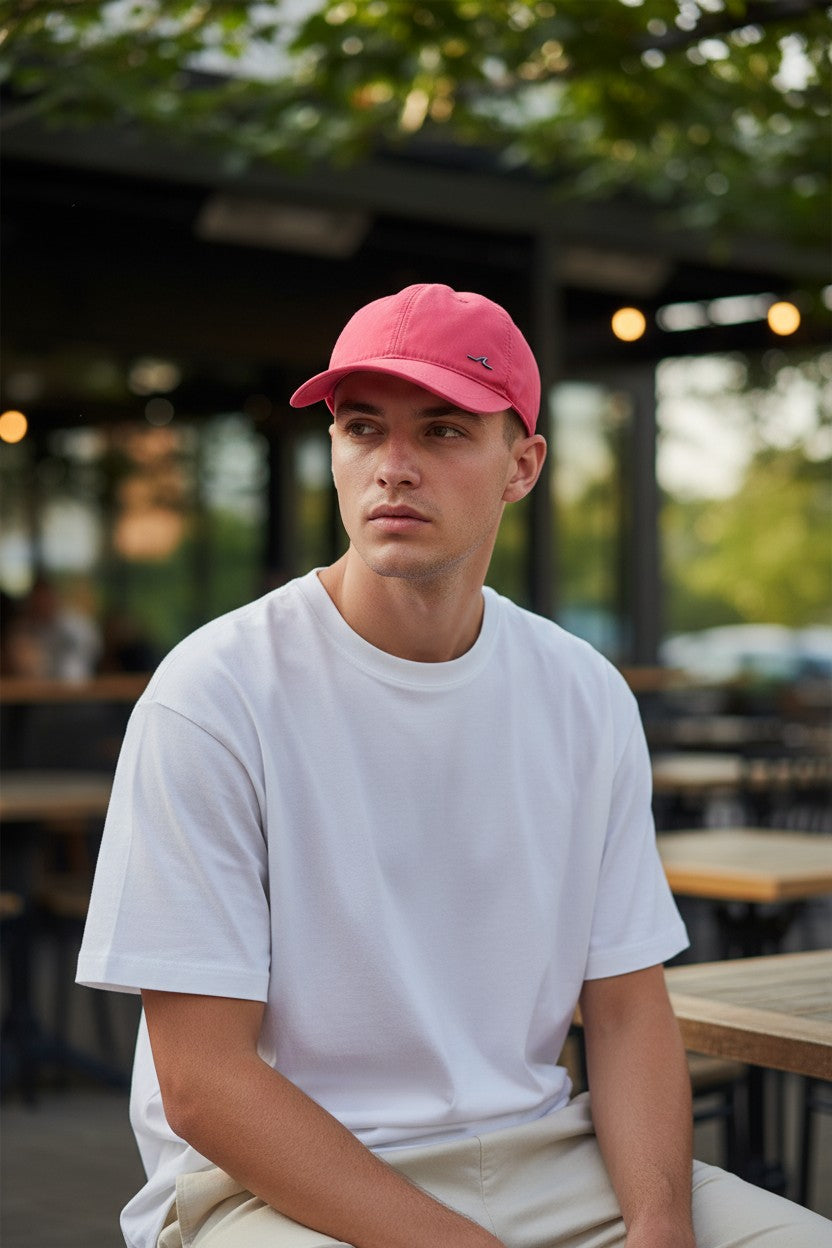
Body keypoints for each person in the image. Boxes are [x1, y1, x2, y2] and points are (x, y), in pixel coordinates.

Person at [77, 285, 828, 1248]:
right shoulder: (215, 693)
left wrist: (659, 1222)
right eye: (361, 429)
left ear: (522, 466)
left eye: (442, 431)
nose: (393, 467)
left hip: (547, 1154)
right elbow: (204, 1086)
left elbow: (630, 1013)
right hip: (271, 1190)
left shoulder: (582, 694)